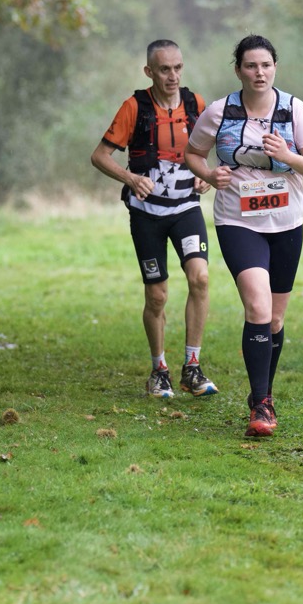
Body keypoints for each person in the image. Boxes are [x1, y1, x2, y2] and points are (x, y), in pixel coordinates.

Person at [185, 35, 303, 437]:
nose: (259, 73)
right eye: (251, 66)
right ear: (238, 70)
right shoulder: (219, 111)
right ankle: (261, 404)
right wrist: (209, 174)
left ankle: (263, 393)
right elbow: (192, 153)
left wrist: (287, 155)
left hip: (286, 222)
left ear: (275, 68)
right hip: (238, 220)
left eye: (266, 65)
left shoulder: (294, 110)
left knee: (276, 318)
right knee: (258, 307)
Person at [91, 40, 217, 399]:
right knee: (157, 296)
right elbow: (99, 156)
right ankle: (159, 370)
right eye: (164, 69)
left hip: (186, 209)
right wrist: (131, 178)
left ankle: (192, 367)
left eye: (177, 68)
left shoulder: (196, 105)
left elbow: (209, 151)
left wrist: (205, 175)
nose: (172, 76)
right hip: (147, 215)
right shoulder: (134, 107)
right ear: (149, 72)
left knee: (200, 278)